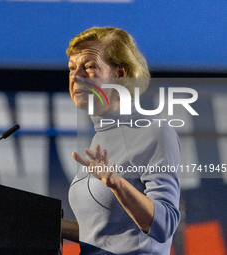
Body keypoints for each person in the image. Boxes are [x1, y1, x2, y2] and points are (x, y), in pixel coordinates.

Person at [61, 27, 181, 254]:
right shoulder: (98, 138)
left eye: (89, 66)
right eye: (71, 68)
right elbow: (106, 236)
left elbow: (165, 225)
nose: (76, 76)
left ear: (120, 73)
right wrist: (48, 225)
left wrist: (116, 183)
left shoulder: (154, 131)